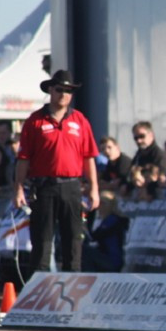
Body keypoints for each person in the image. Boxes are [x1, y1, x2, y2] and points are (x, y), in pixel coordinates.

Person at [13, 69, 100, 273]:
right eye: (60, 89)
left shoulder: (80, 120)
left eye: (68, 91)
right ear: (51, 90)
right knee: (42, 243)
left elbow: (89, 157)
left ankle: (73, 296)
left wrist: (94, 188)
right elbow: (23, 159)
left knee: (73, 243)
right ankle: (41, 295)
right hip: (44, 188)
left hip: (72, 187)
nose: (64, 94)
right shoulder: (35, 121)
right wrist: (18, 189)